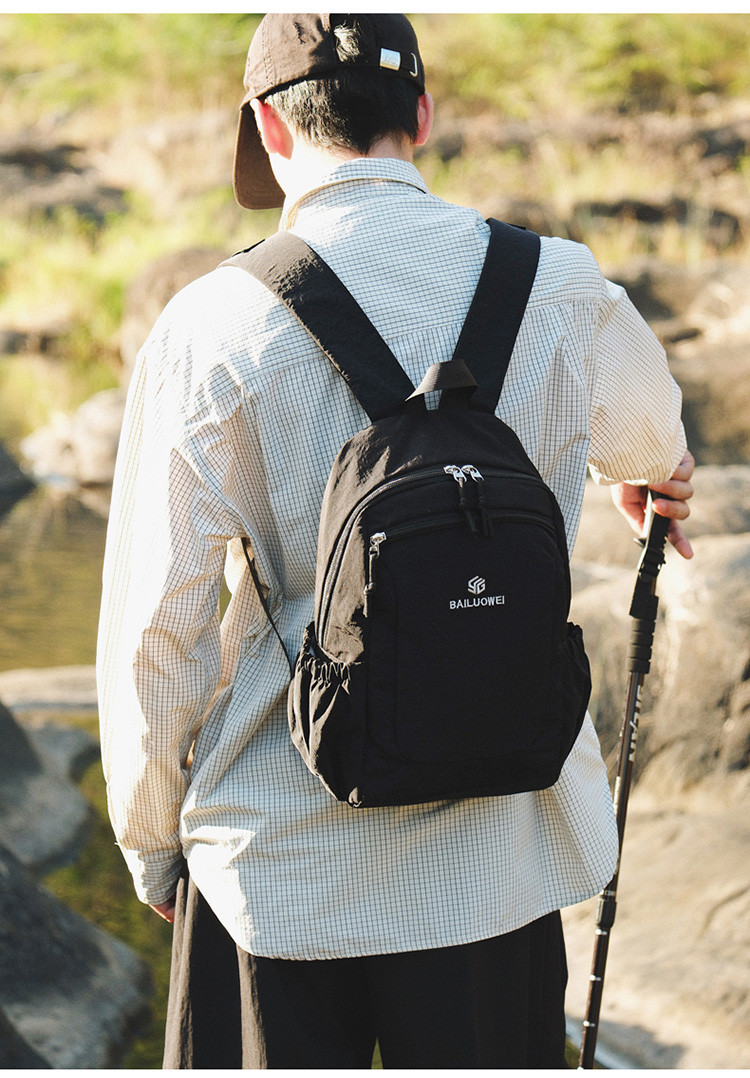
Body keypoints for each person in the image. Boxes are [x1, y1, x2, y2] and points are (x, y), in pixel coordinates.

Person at [97, 13, 694, 1069]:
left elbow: (159, 625)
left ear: (269, 130)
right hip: (497, 867)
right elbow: (655, 442)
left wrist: (152, 839)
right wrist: (641, 482)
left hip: (277, 867)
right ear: (419, 115)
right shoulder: (560, 285)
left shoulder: (208, 326)